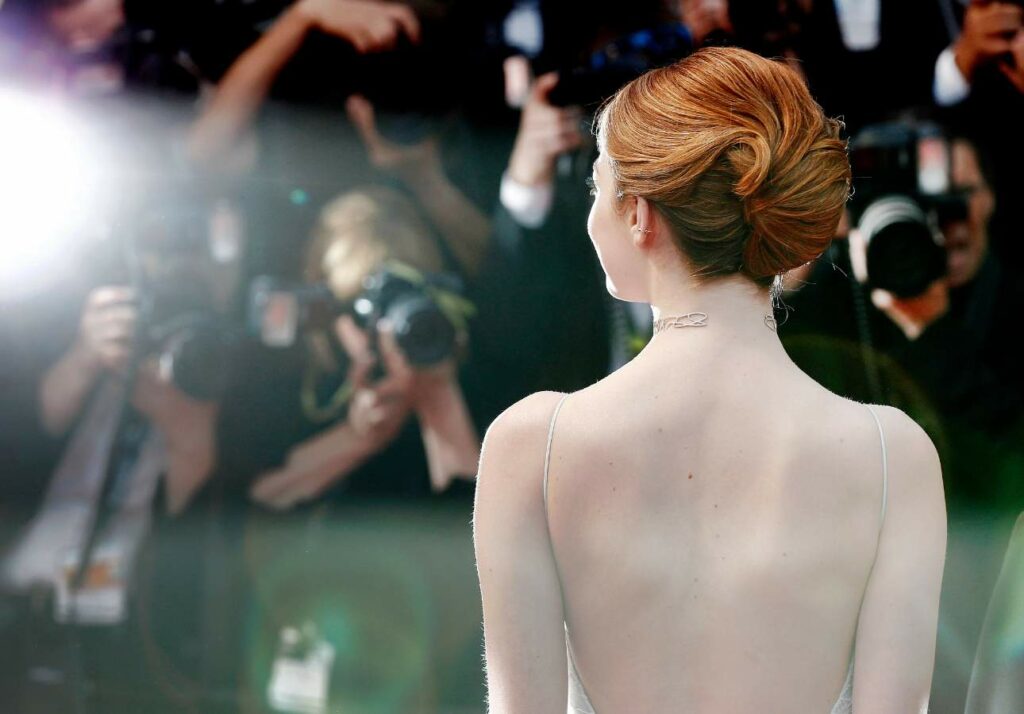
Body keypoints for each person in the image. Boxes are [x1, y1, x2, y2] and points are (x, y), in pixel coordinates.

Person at [473, 47, 946, 712]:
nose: (592, 210)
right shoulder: (896, 456)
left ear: (639, 214)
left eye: (597, 186)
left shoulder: (531, 445)